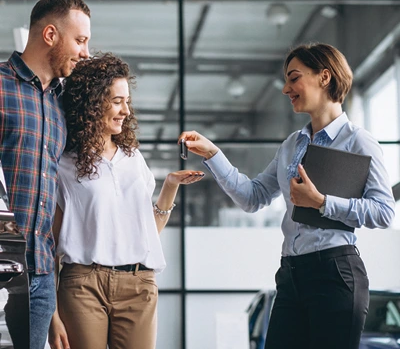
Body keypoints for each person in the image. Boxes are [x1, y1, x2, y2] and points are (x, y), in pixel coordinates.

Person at [178, 43, 395, 349]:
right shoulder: (292, 145)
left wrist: (321, 201)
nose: (285, 88)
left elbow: (384, 212)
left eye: (294, 78)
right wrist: (213, 154)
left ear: (324, 77)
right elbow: (253, 197)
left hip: (335, 274)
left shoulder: (358, 141)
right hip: (291, 274)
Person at [48, 53, 204, 349]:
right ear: (92, 103)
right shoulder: (64, 164)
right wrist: (52, 314)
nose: (126, 110)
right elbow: (51, 245)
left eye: (127, 101)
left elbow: (148, 233)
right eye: (117, 101)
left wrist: (170, 186)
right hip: (83, 284)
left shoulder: (134, 160)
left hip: (138, 283)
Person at [0, 0, 91, 349]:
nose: (85, 51)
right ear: (50, 35)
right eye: (80, 40)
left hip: (38, 276)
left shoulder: (61, 106)